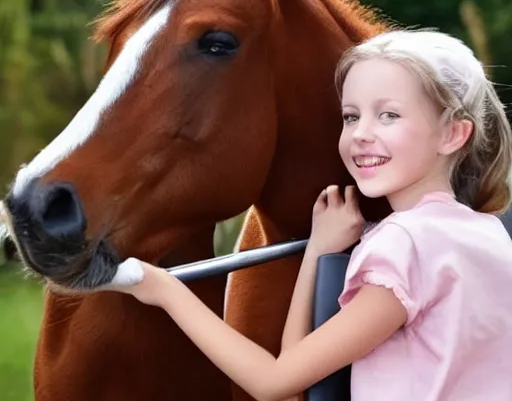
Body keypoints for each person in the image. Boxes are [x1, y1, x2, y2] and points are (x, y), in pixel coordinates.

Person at [104, 30, 512, 400]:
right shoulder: (489, 233)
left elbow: (276, 382)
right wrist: (318, 250)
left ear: (453, 134)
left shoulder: (403, 243)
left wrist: (165, 291)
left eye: (389, 115)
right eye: (351, 116)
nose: (361, 133)